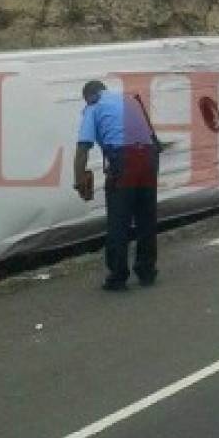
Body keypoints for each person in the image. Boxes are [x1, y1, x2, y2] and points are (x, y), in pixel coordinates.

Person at [73, 80, 160, 290]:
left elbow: (83, 148)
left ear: (88, 96)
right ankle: (146, 271)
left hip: (124, 161)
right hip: (149, 157)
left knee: (118, 221)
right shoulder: (130, 100)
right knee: (146, 217)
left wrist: (78, 181)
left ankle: (118, 277)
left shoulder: (93, 107)